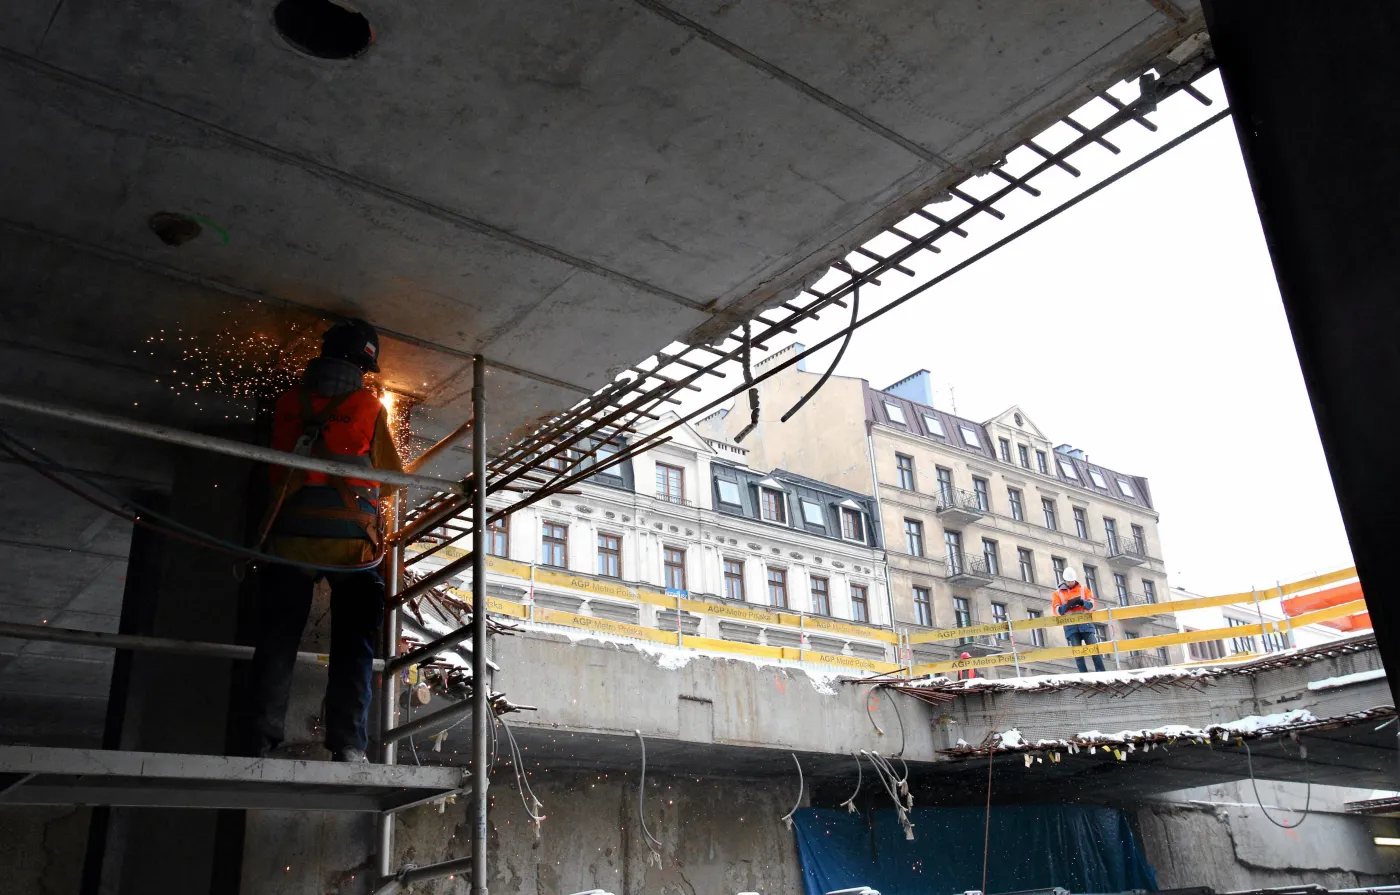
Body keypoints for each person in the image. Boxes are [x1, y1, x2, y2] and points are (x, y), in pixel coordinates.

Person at [243, 318, 403, 762]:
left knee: (275, 641)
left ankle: (258, 738)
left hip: (288, 540)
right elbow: (390, 481)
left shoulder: (286, 401)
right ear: (365, 362)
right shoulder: (371, 406)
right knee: (354, 646)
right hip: (351, 550)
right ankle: (348, 744)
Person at [1052, 567, 1106, 674]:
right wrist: (1067, 606)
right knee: (1078, 654)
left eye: (1072, 581)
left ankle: (1101, 672)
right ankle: (1084, 675)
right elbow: (1056, 611)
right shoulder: (1058, 594)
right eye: (1068, 581)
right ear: (1065, 580)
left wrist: (1082, 602)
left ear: (1075, 580)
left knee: (1094, 650)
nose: (1070, 583)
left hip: (1085, 625)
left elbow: (1091, 605)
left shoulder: (1083, 589)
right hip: (1071, 627)